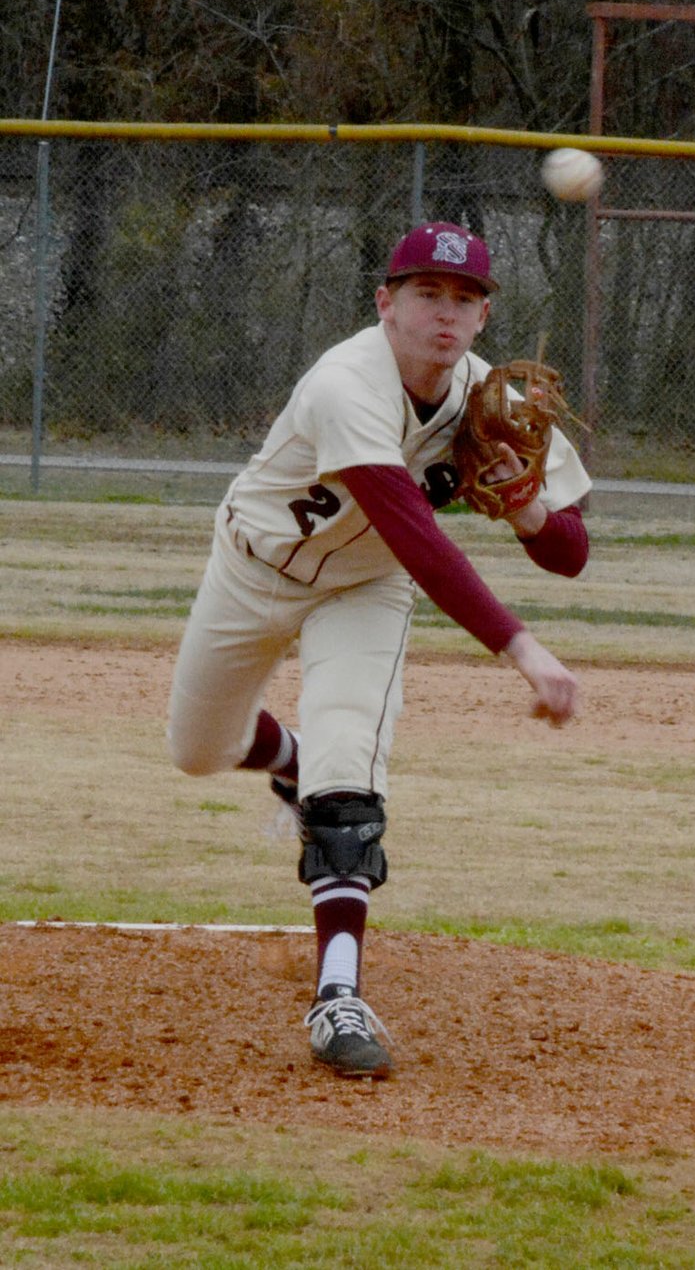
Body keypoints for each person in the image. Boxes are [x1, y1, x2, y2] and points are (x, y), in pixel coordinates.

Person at [168, 221, 591, 1080]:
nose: (446, 313)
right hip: (253, 568)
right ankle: (289, 758)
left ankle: (338, 998)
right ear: (385, 302)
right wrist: (523, 650)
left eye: (465, 299)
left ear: (481, 317)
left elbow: (571, 551)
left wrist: (526, 508)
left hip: (367, 588)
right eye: (427, 293)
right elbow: (416, 531)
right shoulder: (345, 382)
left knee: (350, 775)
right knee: (197, 749)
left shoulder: (488, 401)